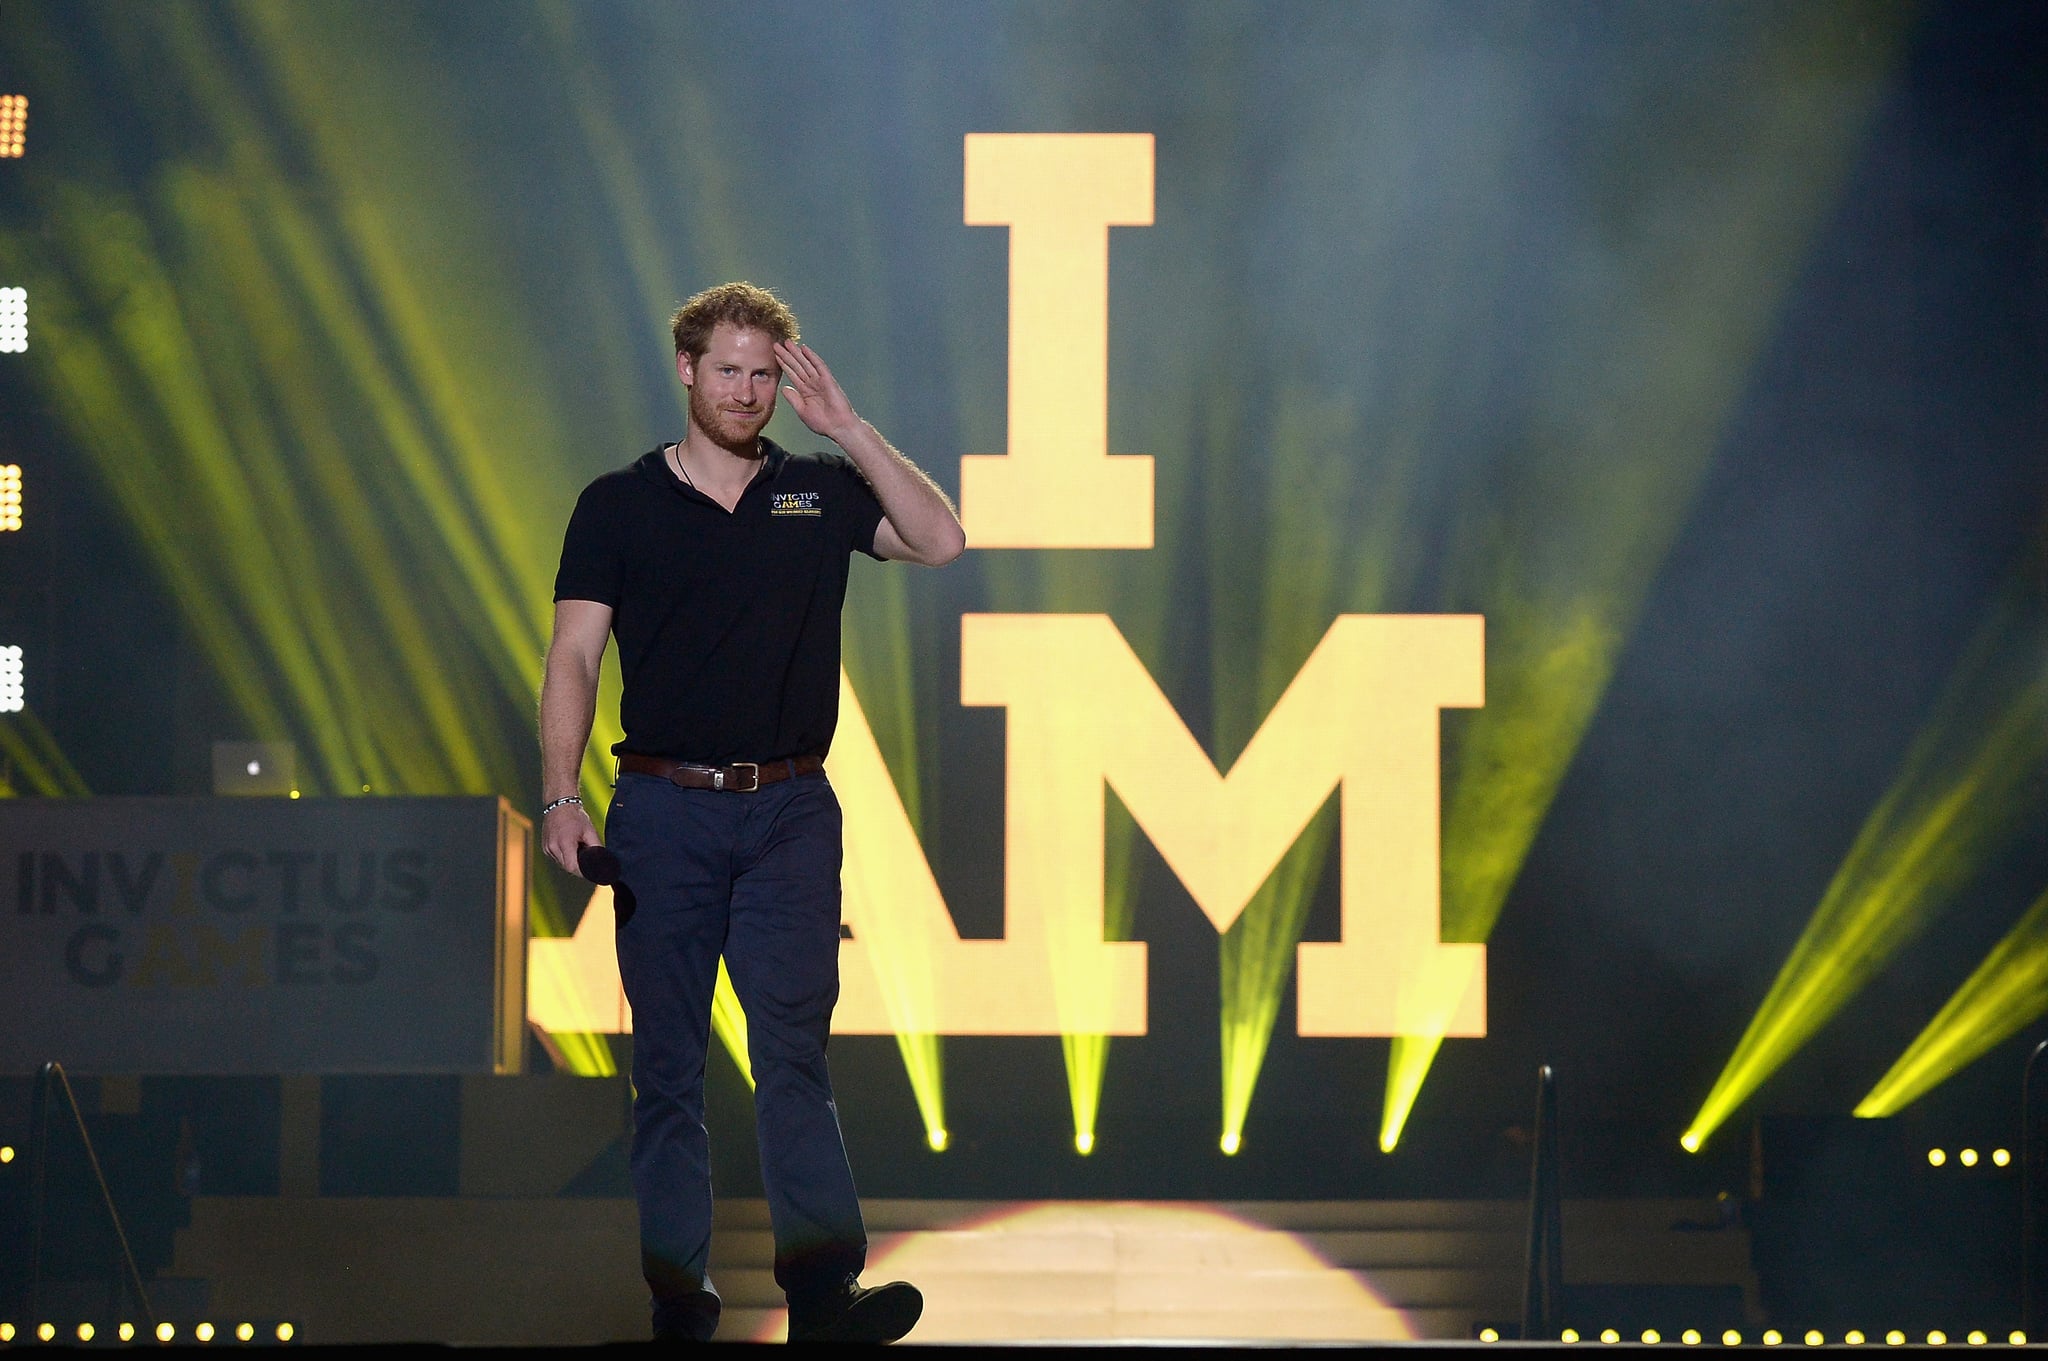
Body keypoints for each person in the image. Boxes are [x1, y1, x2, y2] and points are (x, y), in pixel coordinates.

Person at [538, 281, 965, 1343]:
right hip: (660, 808)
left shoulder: (817, 493)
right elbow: (574, 655)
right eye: (728, 368)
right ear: (686, 369)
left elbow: (942, 539)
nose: (746, 389)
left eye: (764, 373)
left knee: (792, 1050)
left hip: (786, 810)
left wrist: (850, 429)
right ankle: (679, 1297)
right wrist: (559, 795)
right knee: (669, 1065)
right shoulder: (616, 504)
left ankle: (823, 1290)